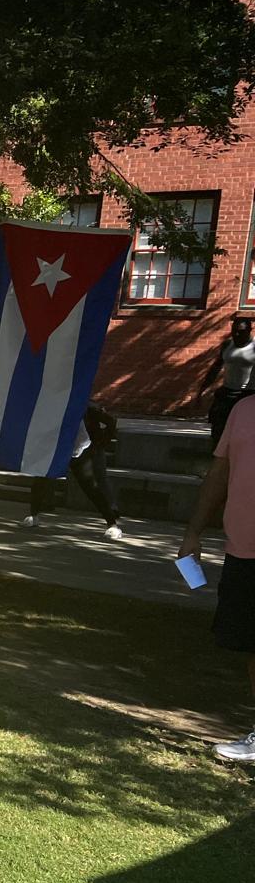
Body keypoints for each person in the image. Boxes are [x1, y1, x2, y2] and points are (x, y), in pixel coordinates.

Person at [180, 396, 255, 761]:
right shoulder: (243, 411)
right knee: (252, 646)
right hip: (243, 550)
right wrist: (193, 533)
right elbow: (219, 476)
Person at [20, 404, 123, 539]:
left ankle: (112, 524)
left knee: (91, 487)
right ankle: (33, 515)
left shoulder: (84, 405)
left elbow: (110, 421)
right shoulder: (53, 403)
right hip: (57, 449)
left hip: (79, 449)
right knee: (41, 479)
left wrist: (101, 442)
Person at [199, 316, 254, 448]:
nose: (236, 334)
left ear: (249, 331)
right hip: (227, 391)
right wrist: (203, 389)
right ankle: (216, 458)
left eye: (241, 332)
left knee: (243, 431)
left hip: (247, 394)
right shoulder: (227, 345)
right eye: (234, 331)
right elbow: (216, 367)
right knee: (218, 427)